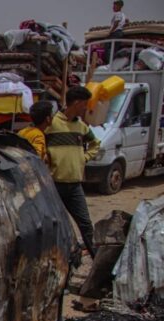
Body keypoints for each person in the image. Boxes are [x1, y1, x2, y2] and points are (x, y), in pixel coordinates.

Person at [46, 86, 101, 258]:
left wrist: (84, 158)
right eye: (84, 104)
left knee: (85, 225)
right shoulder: (52, 123)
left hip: (75, 186)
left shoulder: (81, 126)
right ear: (76, 103)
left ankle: (96, 262)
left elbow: (96, 143)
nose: (86, 108)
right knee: (54, 225)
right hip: (54, 185)